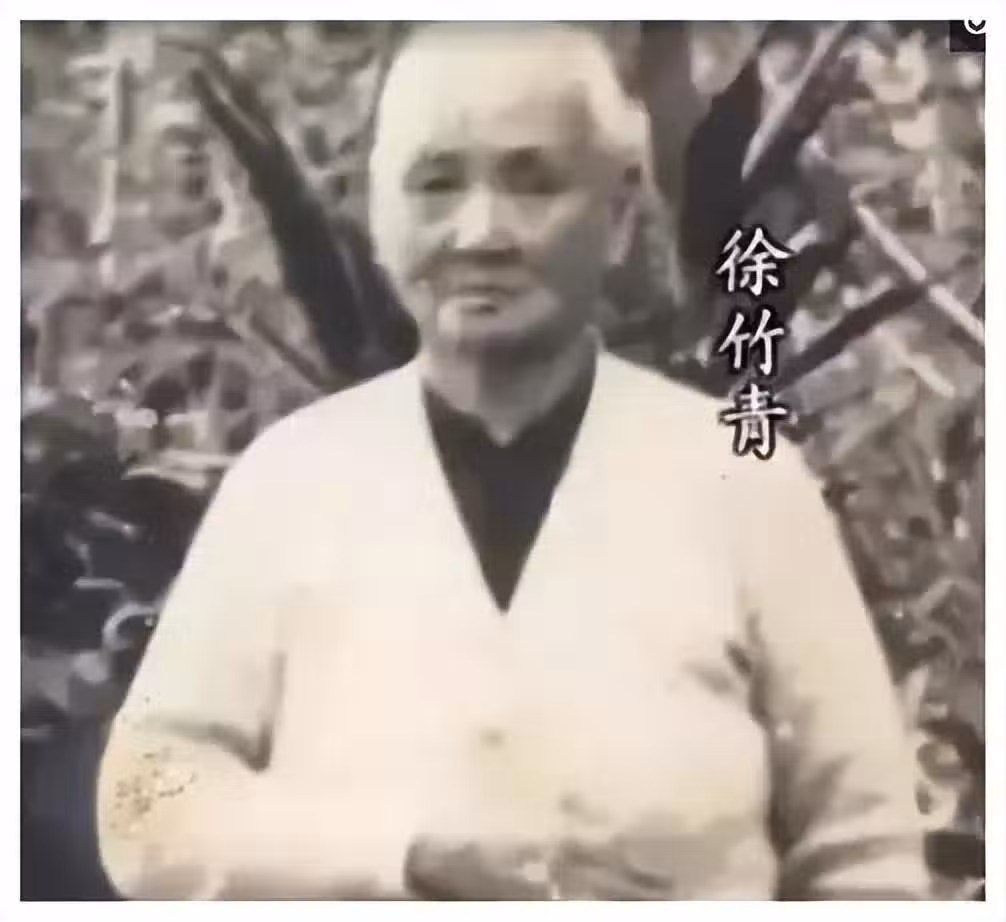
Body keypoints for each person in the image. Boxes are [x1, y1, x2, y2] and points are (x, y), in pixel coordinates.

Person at [96, 23, 928, 900]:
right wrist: (405, 857)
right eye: (436, 183)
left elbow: (866, 857)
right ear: (381, 214)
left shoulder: (743, 483)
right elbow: (145, 800)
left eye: (534, 183)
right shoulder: (289, 482)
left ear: (617, 216)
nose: (482, 232)